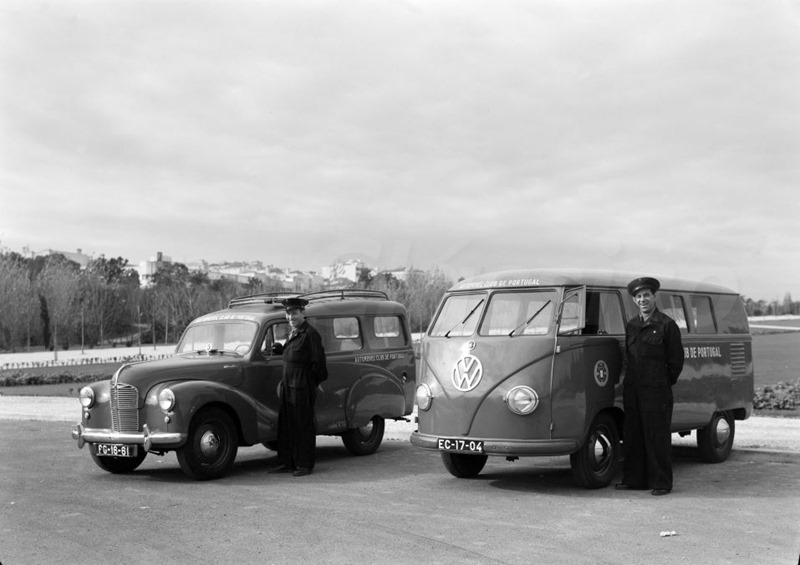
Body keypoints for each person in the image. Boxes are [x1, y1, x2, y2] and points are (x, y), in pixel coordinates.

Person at [615, 276, 684, 496]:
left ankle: (661, 482)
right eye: (638, 296)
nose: (642, 299)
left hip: (657, 391)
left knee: (657, 437)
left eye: (646, 295)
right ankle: (635, 480)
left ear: (655, 297)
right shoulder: (632, 326)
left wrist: (661, 381)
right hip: (634, 391)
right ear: (634, 301)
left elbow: (676, 362)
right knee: (633, 435)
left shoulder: (667, 325)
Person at [268, 297, 327, 477]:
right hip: (288, 385)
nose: (291, 316)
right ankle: (287, 462)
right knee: (286, 425)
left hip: (302, 386)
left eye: (294, 313)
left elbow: (319, 365)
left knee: (303, 425)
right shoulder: (294, 333)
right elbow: (293, 354)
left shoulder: (310, 334)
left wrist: (310, 384)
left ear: (303, 313)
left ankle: (304, 464)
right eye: (288, 313)